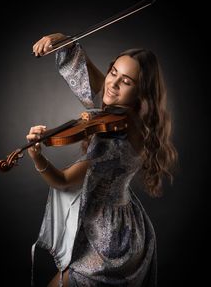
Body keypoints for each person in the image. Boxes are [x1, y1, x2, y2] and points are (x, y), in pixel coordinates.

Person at [27, 33, 178, 287]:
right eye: (113, 72)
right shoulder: (134, 117)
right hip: (127, 224)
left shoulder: (115, 143)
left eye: (126, 81)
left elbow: (63, 181)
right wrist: (62, 40)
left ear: (141, 92)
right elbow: (95, 82)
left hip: (108, 242)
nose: (113, 84)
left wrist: (37, 156)